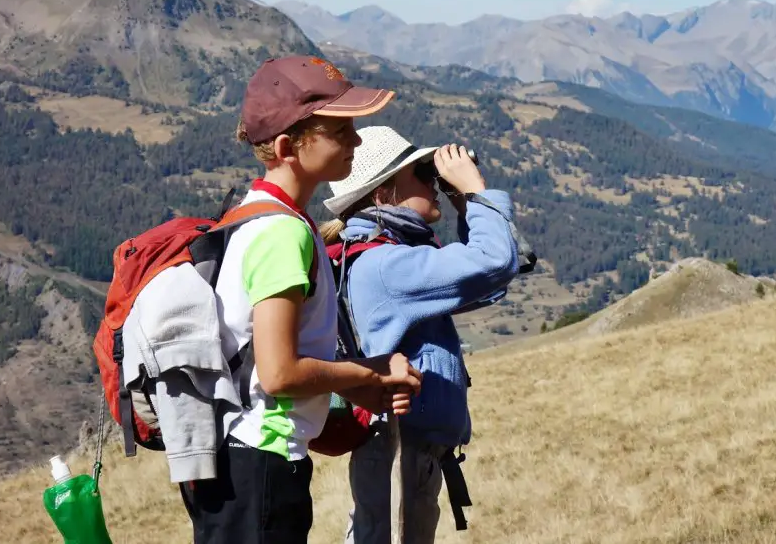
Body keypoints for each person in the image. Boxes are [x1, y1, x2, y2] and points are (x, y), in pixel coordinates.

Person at [179, 56, 423, 544]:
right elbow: (280, 373)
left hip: (245, 464)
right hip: (260, 466)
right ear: (289, 147)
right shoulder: (282, 234)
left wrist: (360, 379)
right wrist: (368, 374)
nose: (356, 140)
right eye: (340, 130)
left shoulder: (259, 216)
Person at [319, 125, 524, 544]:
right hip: (399, 448)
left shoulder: (389, 257)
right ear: (382, 196)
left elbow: (485, 284)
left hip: (406, 449)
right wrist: (474, 192)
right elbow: (494, 263)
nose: (434, 183)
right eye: (421, 174)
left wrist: (468, 208)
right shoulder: (386, 266)